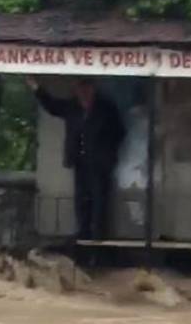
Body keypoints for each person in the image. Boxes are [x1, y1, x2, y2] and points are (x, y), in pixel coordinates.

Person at [26, 76, 125, 240]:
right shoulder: (72, 106)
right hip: (80, 162)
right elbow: (53, 106)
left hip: (100, 164)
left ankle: (99, 239)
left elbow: (119, 132)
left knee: (99, 201)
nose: (83, 93)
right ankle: (84, 235)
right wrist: (36, 88)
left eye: (87, 88)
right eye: (80, 89)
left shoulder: (106, 108)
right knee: (82, 200)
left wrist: (107, 151)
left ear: (93, 89)